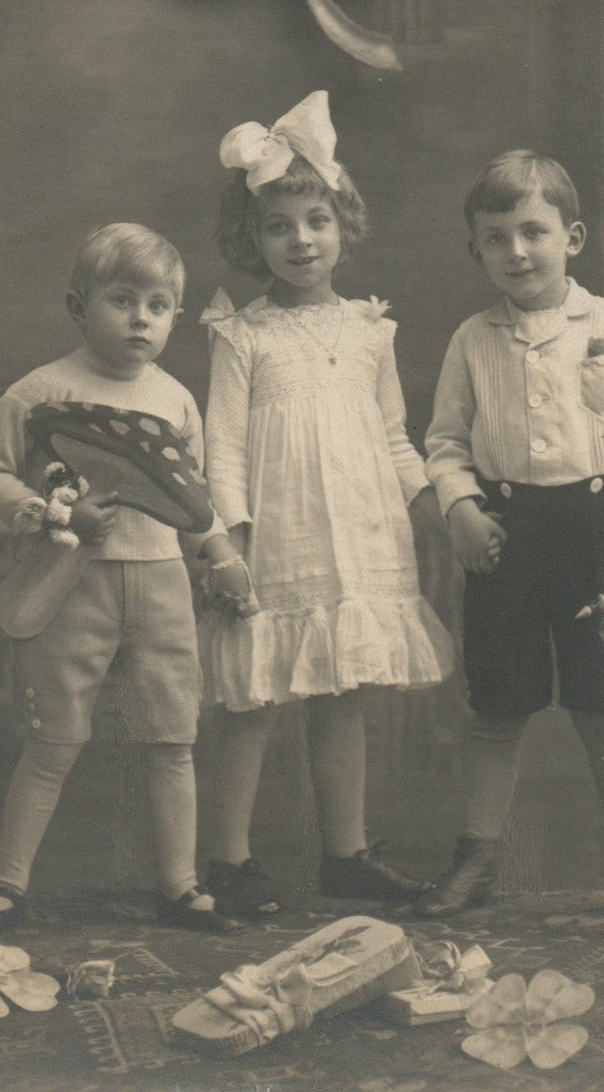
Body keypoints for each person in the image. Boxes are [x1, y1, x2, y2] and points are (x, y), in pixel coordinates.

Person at [419, 150, 604, 922]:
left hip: (603, 534)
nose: (516, 252)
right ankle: (476, 865)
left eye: (533, 232)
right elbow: (446, 443)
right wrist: (459, 508)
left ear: (572, 237)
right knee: (498, 706)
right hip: (505, 534)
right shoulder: (471, 339)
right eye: (495, 239)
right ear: (475, 250)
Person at [199, 91, 455, 920]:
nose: (301, 240)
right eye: (279, 226)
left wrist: (436, 505)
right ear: (253, 238)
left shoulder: (371, 329)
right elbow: (224, 448)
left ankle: (345, 853)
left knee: (344, 691)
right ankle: (229, 860)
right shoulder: (243, 337)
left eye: (316, 220)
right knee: (253, 695)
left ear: (344, 225)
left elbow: (393, 436)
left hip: (360, 530)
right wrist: (227, 543)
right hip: (275, 535)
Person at [0, 223, 253, 936]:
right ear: (77, 306)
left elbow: (194, 498)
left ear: (175, 316)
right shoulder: (40, 392)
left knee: (171, 739)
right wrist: (42, 511)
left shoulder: (178, 400)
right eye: (122, 300)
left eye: (158, 305)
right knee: (55, 739)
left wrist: (221, 555)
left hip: (161, 587)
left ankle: (181, 889)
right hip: (71, 586)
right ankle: (7, 888)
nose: (141, 319)